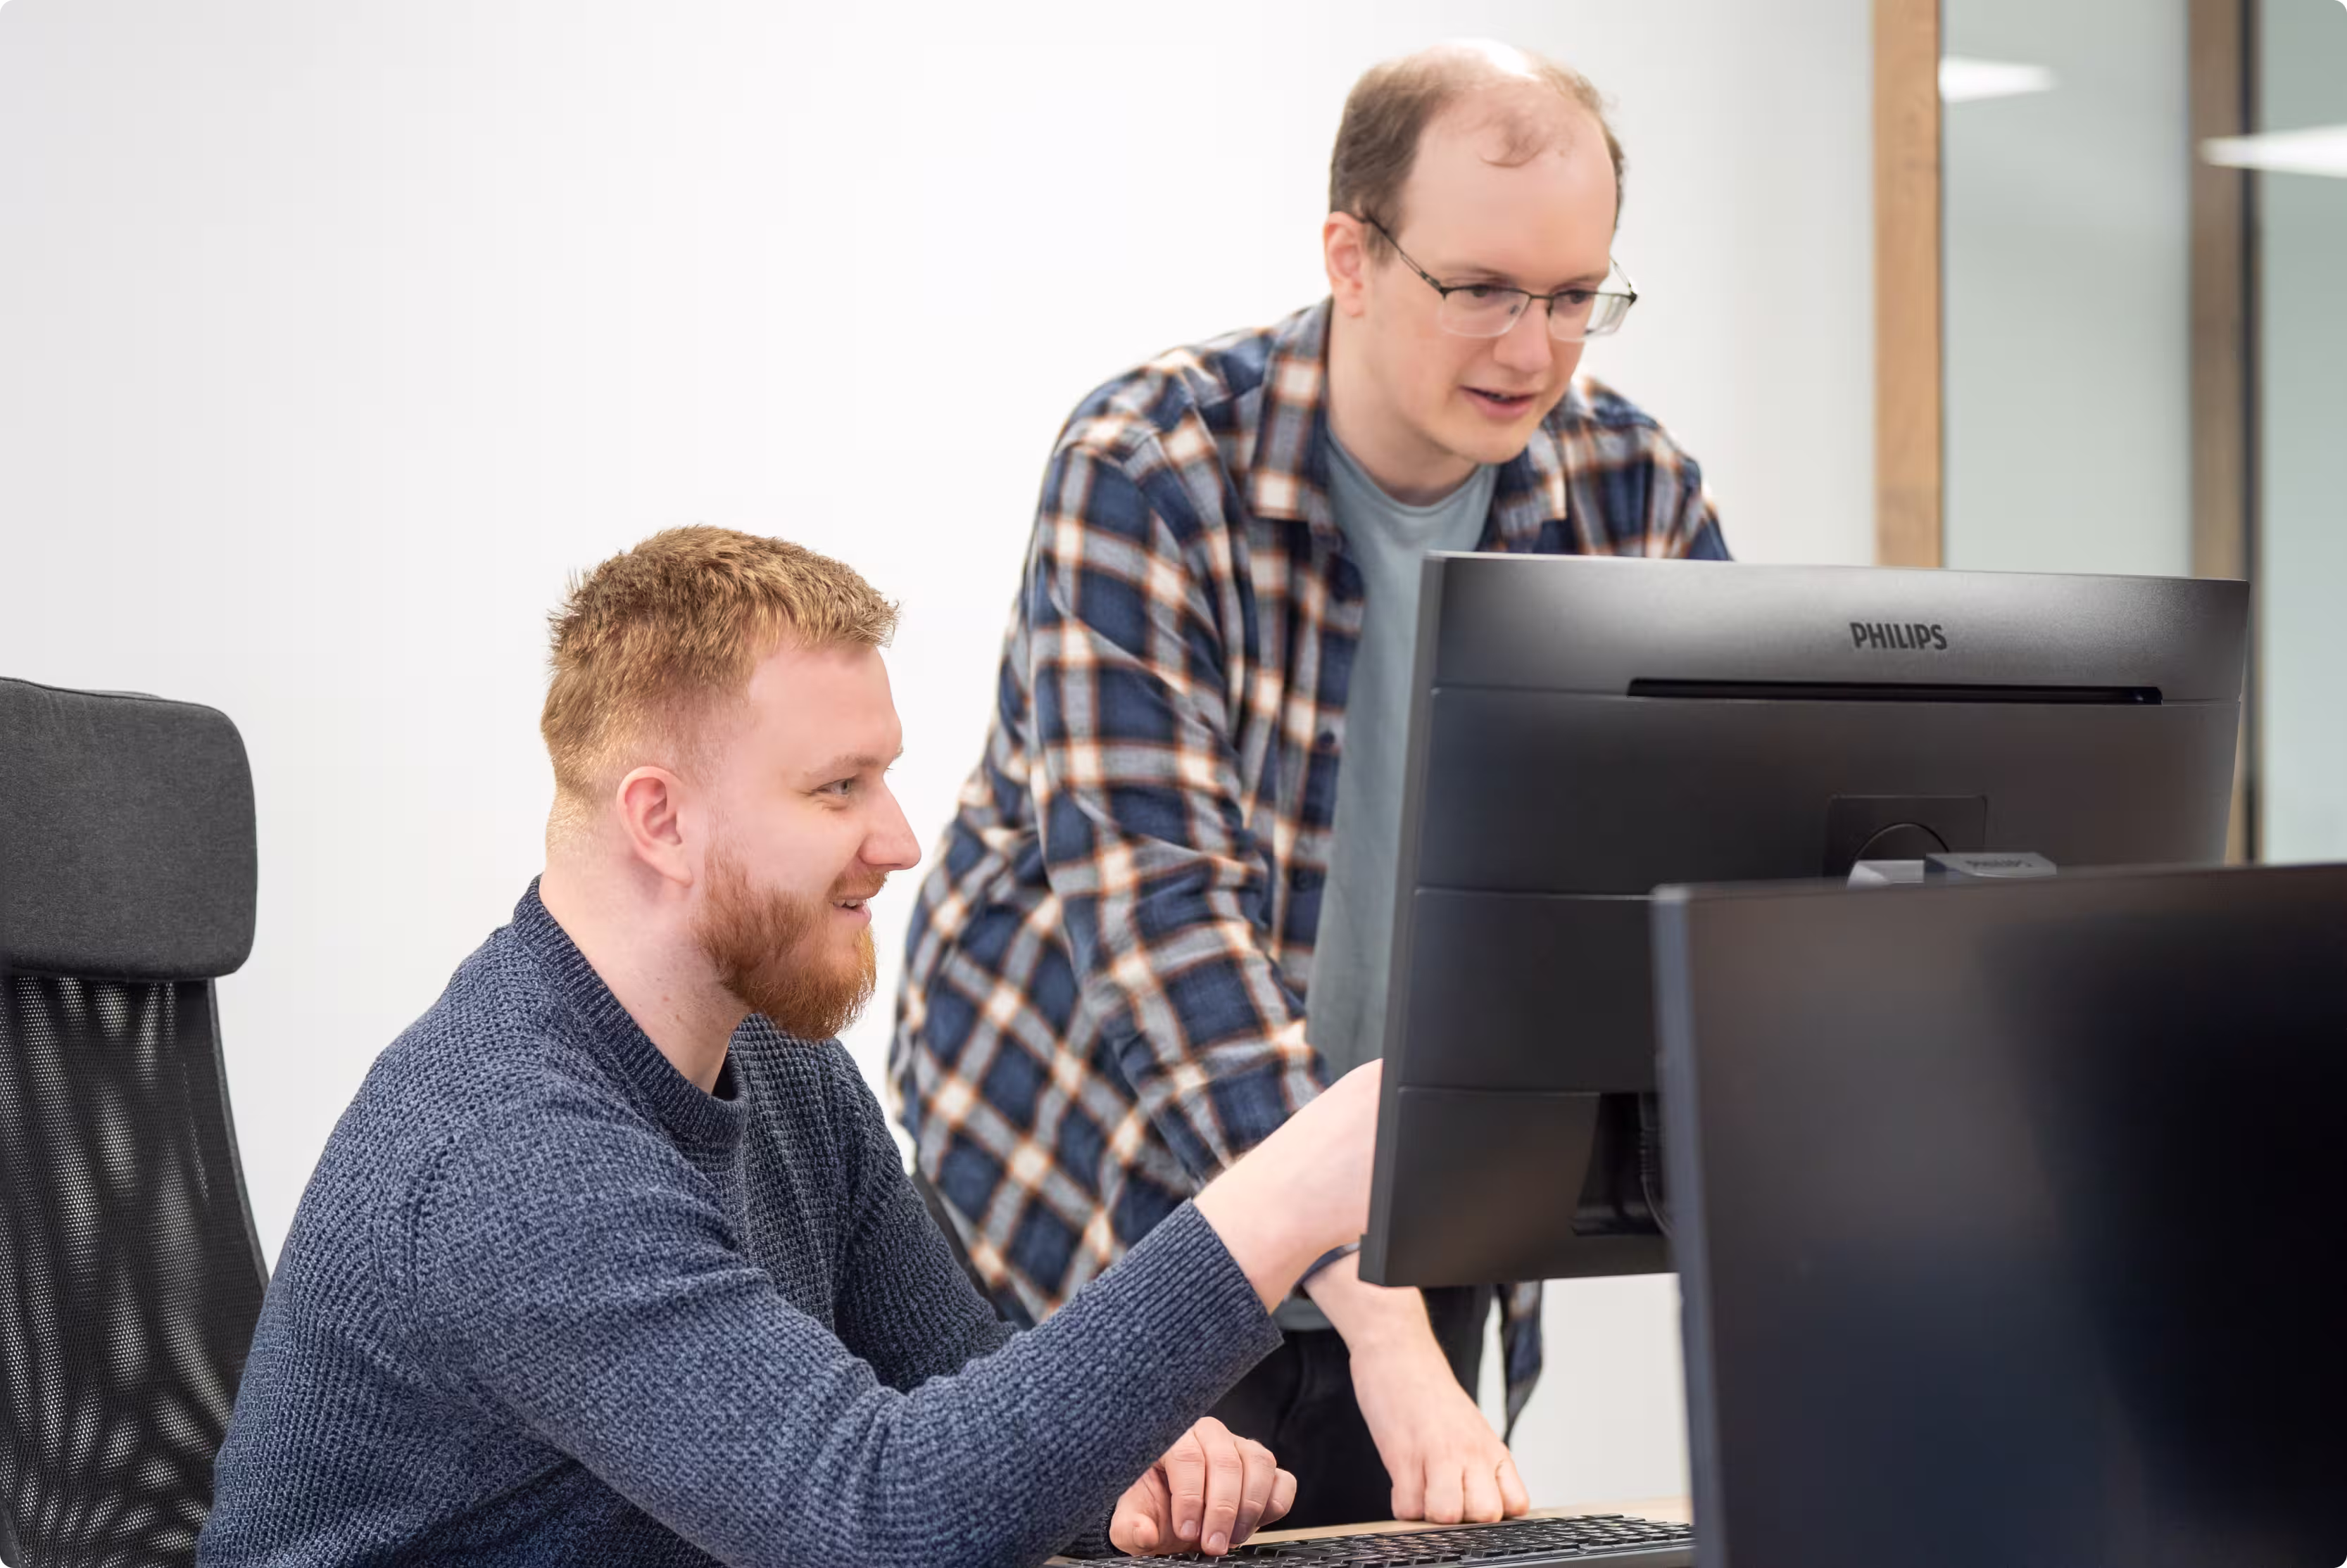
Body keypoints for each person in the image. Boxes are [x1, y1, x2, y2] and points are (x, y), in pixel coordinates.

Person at [893, 38, 1730, 1529]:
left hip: (1432, 1204)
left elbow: (1702, 876)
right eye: (1478, 289)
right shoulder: (1150, 467)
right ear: (1348, 253)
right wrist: (1387, 1326)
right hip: (1117, 1194)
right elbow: (1161, 934)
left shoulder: (1631, 493)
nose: (1532, 349)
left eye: (1570, 297)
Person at [200, 527, 1392, 1567]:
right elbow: (882, 1526)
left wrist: (1109, 1468)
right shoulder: (513, 1152)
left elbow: (946, 1393)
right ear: (660, 821)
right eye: (839, 788)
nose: (903, 839)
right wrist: (1276, 1203)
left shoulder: (775, 1061)